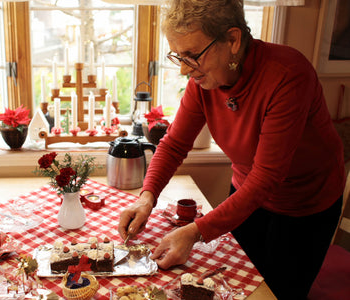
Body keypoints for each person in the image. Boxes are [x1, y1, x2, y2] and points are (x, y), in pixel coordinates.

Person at [118, 1, 345, 299]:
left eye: (192, 55)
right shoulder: (203, 82)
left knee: (278, 292)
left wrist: (195, 231)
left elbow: (266, 178)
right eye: (178, 56)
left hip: (305, 203)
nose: (184, 70)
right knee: (235, 285)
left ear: (233, 40)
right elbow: (174, 145)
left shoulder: (288, 74)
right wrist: (147, 197)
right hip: (245, 192)